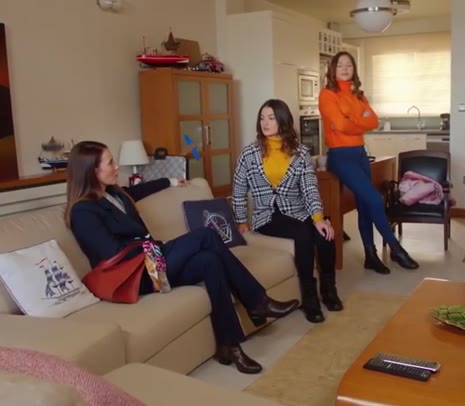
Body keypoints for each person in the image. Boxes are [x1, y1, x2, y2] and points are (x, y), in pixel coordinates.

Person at [64, 141, 300, 375]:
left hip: (153, 261)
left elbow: (139, 191)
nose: (116, 166)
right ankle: (257, 302)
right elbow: (112, 252)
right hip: (138, 274)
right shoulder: (83, 211)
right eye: (110, 163)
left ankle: (229, 346)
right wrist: (155, 249)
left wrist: (171, 181)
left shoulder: (114, 193)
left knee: (210, 261)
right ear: (92, 170)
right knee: (206, 235)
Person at [232, 99, 343, 324]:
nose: (265, 123)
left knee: (325, 234)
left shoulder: (300, 153)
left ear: (282, 121)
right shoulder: (249, 154)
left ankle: (329, 290)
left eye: (271, 118)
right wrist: (241, 221)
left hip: (298, 212)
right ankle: (309, 297)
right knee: (303, 234)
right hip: (267, 216)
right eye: (262, 118)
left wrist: (318, 218)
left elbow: (310, 188)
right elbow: (239, 190)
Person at [318, 51, 418, 274]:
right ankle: (396, 248)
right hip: (340, 157)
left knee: (364, 204)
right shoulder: (327, 95)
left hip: (360, 154)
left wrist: (350, 121)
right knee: (374, 198)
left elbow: (373, 121)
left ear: (354, 69)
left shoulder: (359, 96)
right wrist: (357, 121)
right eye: (340, 65)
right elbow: (340, 125)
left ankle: (370, 256)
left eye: (349, 65)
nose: (345, 69)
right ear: (333, 69)